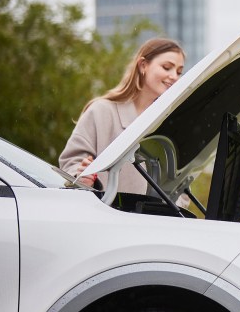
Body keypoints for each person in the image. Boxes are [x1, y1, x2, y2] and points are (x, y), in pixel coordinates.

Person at [60, 37, 185, 194]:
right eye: (167, 67)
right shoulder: (101, 111)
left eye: (179, 72)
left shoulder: (170, 124)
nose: (174, 76)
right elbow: (71, 164)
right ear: (143, 65)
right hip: (101, 208)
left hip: (152, 211)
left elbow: (181, 182)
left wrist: (175, 203)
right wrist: (82, 177)